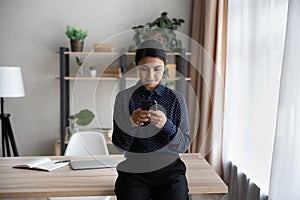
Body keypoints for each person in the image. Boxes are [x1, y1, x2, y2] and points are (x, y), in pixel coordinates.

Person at [112, 39, 191, 200]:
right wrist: (131, 124)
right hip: (134, 169)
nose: (151, 75)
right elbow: (120, 146)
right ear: (137, 67)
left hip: (170, 169)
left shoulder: (177, 98)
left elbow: (184, 145)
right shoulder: (124, 97)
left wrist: (166, 125)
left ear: (165, 67)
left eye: (157, 69)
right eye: (144, 69)